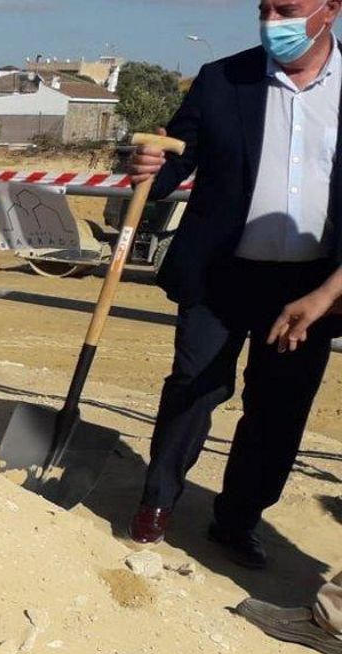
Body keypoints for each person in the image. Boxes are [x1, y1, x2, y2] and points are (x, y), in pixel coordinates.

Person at [126, 0, 342, 571]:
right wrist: (150, 165)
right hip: (220, 273)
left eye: (287, 9)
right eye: (264, 9)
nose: (274, 22)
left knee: (278, 410)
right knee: (193, 387)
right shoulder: (222, 78)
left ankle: (238, 520)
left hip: (308, 288)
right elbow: (174, 160)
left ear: (331, 10)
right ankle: (157, 502)